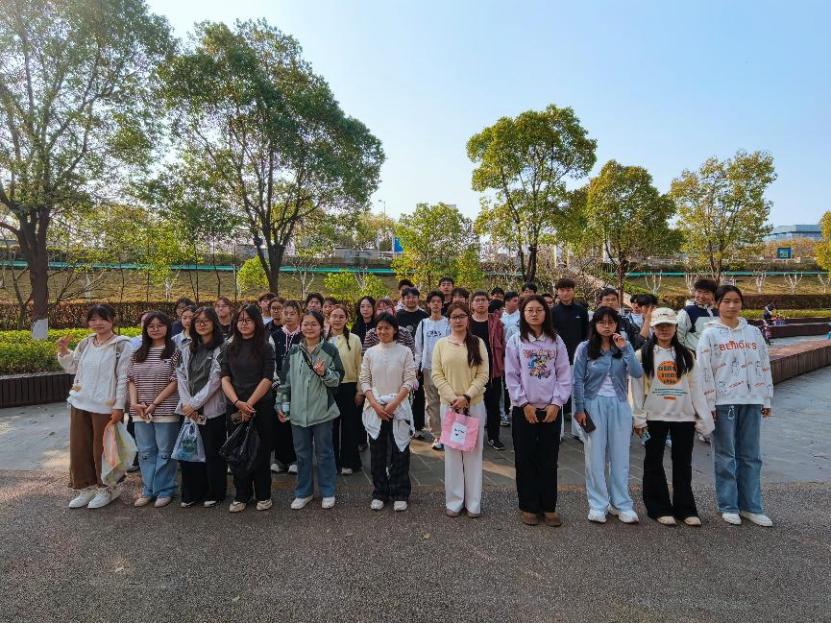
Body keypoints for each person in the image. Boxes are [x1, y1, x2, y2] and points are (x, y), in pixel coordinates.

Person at [697, 285, 774, 527]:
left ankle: (751, 506)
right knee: (725, 456)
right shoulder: (710, 334)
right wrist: (708, 404)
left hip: (751, 400)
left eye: (736, 301)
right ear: (717, 304)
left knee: (751, 456)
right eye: (727, 301)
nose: (732, 306)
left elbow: (764, 364)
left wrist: (766, 397)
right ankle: (728, 505)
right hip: (723, 402)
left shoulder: (753, 333)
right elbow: (703, 371)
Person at [631, 308, 713, 526]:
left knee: (683, 464)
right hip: (654, 417)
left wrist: (702, 417)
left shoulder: (687, 355)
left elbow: (696, 388)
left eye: (668, 325)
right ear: (653, 328)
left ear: (676, 327)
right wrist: (638, 418)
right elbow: (636, 390)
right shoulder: (642, 355)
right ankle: (658, 507)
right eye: (659, 326)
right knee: (653, 462)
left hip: (683, 417)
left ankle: (686, 508)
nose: (664, 330)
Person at [56, 304, 133, 509]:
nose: (97, 323)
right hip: (80, 402)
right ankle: (86, 487)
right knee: (80, 448)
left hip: (105, 406)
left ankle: (107, 488)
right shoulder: (86, 343)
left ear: (112, 320)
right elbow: (73, 367)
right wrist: (63, 351)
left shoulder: (122, 345)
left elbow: (123, 378)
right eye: (93, 319)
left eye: (102, 318)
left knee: (104, 450)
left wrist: (119, 406)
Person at [504, 295, 572, 527]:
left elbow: (564, 374)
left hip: (551, 409)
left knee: (548, 458)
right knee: (525, 458)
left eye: (539, 310)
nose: (534, 314)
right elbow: (511, 376)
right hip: (524, 409)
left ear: (546, 313)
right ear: (523, 314)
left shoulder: (556, 341)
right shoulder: (516, 341)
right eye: (530, 310)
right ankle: (528, 505)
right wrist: (523, 403)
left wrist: (556, 403)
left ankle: (549, 506)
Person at [573, 306, 644, 524]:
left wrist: (626, 349)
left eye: (611, 322)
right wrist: (579, 409)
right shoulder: (585, 348)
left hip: (620, 405)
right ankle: (597, 504)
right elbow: (577, 380)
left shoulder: (623, 345)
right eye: (601, 322)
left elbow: (637, 373)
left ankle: (621, 504)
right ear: (594, 324)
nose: (606, 326)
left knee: (620, 457)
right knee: (594, 457)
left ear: (616, 324)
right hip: (593, 404)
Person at [278, 310, 344, 510]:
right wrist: (282, 407)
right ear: (301, 326)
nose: (309, 328)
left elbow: (337, 380)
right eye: (306, 324)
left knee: (324, 453)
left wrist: (325, 373)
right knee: (302, 454)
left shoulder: (330, 350)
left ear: (321, 327)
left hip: (322, 411)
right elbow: (285, 382)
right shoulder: (294, 352)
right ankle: (303, 492)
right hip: (298, 413)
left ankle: (328, 491)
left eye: (314, 324)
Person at [431, 302, 489, 517]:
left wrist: (467, 396)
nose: (458, 320)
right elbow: (437, 374)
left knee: (473, 454)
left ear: (468, 318)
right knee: (453, 454)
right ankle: (454, 501)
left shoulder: (478, 343)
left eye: (462, 316)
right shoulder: (441, 344)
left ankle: (473, 503)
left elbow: (483, 374)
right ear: (449, 320)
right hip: (450, 407)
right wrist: (453, 398)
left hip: (473, 405)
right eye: (454, 317)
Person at [220, 304, 276, 513]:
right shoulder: (229, 347)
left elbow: (267, 378)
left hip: (260, 406)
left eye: (248, 320)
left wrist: (249, 404)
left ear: (256, 322)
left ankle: (263, 494)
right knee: (238, 451)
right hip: (235, 406)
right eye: (240, 320)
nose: (243, 324)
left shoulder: (265, 346)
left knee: (260, 451)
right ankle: (242, 494)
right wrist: (238, 403)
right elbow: (224, 378)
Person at [360, 313, 418, 511]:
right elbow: (364, 380)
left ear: (395, 330)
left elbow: (409, 379)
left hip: (398, 407)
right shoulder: (370, 353)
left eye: (387, 328)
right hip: (375, 408)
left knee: (400, 450)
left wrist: (394, 403)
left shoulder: (404, 352)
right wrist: (375, 404)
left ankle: (400, 492)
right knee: (377, 452)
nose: (383, 331)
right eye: (379, 328)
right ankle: (380, 492)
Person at [127, 311, 181, 508]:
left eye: (160, 325)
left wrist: (155, 404)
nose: (155, 329)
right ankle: (148, 489)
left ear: (167, 327)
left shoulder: (175, 352)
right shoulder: (137, 353)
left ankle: (165, 489)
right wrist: (134, 403)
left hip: (165, 409)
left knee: (165, 452)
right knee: (145, 452)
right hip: (140, 410)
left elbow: (175, 381)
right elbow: (131, 380)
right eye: (151, 326)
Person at [176, 306, 228, 508]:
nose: (201, 324)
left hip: (212, 411)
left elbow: (216, 380)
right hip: (189, 410)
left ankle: (215, 492)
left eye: (206, 321)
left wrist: (195, 403)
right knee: (189, 452)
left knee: (212, 453)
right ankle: (192, 493)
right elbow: (180, 376)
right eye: (198, 321)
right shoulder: (187, 348)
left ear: (214, 323)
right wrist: (187, 403)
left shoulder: (221, 348)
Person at [326, 305, 363, 475]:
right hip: (329, 387)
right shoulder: (323, 339)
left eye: (341, 316)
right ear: (329, 318)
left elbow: (360, 366)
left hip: (349, 386)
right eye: (334, 316)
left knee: (349, 426)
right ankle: (332, 462)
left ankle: (349, 461)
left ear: (347, 319)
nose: (337, 319)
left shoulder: (354, 339)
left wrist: (359, 390)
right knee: (331, 427)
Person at [470, 290, 506, 450]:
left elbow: (503, 344)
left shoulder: (497, 323)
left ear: (488, 303)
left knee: (493, 406)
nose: (480, 303)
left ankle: (493, 437)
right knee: (471, 405)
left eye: (483, 300)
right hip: (471, 370)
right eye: (477, 300)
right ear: (472, 304)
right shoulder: (467, 322)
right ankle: (471, 436)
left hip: (492, 370)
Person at [414, 291, 450, 450]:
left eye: (438, 301)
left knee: (448, 401)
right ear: (428, 304)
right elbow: (418, 348)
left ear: (442, 304)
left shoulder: (448, 323)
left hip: (446, 369)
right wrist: (417, 367)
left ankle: (449, 434)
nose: (436, 304)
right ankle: (438, 435)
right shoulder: (423, 324)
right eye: (433, 301)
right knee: (432, 403)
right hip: (428, 368)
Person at [269, 300, 302, 474]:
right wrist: (276, 382)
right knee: (281, 420)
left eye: (292, 313)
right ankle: (280, 459)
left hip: (298, 387)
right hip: (279, 386)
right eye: (285, 313)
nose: (288, 317)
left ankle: (295, 459)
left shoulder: (304, 335)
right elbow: (270, 361)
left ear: (299, 316)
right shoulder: (275, 335)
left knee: (295, 423)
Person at [396, 286, 429, 437]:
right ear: (403, 299)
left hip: (419, 360)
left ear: (418, 298)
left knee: (418, 393)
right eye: (407, 297)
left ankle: (418, 426)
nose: (410, 300)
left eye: (413, 297)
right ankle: (402, 424)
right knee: (401, 391)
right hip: (400, 360)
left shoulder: (424, 316)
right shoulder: (397, 316)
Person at [676, 278, 718, 352]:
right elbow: (678, 336)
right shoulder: (687, 311)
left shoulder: (718, 312)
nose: (701, 296)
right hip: (694, 355)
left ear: (713, 295)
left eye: (706, 293)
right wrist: (686, 354)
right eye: (699, 292)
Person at [500, 291, 521, 425]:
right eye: (514, 300)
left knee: (516, 381)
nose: (516, 303)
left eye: (517, 300)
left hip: (519, 354)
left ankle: (516, 409)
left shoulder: (522, 316)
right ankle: (503, 413)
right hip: (502, 354)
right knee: (503, 383)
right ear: (506, 302)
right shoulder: (499, 317)